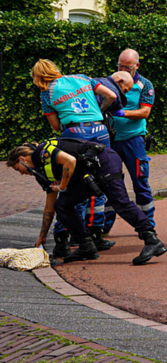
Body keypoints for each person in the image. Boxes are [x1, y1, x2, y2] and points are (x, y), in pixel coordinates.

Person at [6, 138, 166, 265]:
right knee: (62, 205)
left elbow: (70, 161)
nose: (20, 174)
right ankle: (86, 246)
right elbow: (49, 207)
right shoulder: (41, 172)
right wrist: (42, 235)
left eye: (17, 169)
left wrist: (62, 186)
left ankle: (152, 240)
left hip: (104, 160)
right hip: (89, 172)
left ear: (22, 160)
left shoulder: (41, 152)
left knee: (119, 201)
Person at [33, 59, 120, 258]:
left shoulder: (47, 93)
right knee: (100, 182)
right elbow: (111, 95)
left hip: (75, 135)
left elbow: (55, 126)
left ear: (38, 77)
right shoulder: (82, 78)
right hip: (100, 130)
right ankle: (95, 233)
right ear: (56, 69)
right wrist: (99, 111)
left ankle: (64, 239)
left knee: (73, 186)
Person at [109, 50, 157, 232]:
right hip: (110, 140)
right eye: (119, 66)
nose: (122, 69)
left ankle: (148, 225)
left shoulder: (145, 84)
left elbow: (145, 112)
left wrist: (123, 113)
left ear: (136, 66)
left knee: (140, 181)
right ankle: (103, 227)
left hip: (133, 140)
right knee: (108, 183)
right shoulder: (110, 81)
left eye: (126, 67)